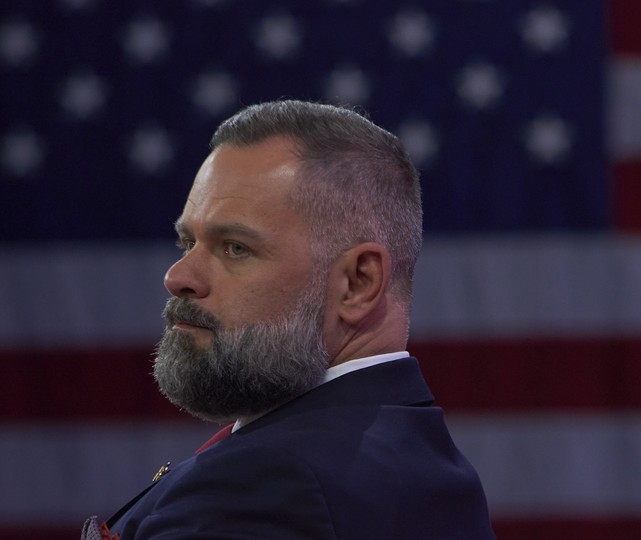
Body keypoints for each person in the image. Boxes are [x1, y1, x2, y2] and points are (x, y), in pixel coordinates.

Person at [83, 100, 495, 539]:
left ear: (358, 283)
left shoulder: (262, 487)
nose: (178, 277)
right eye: (188, 242)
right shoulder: (423, 461)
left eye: (234, 247)